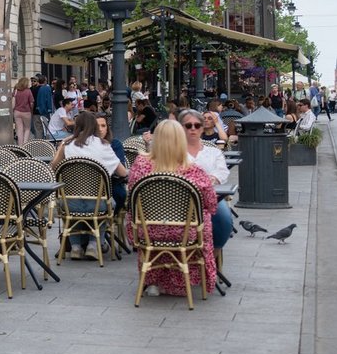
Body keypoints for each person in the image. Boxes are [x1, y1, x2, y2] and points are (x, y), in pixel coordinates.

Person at [128, 120, 218, 298]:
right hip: (185, 233)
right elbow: (211, 203)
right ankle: (183, 281)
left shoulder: (140, 165)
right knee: (205, 217)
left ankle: (153, 281)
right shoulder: (193, 171)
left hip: (148, 231)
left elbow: (131, 196)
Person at [51, 111, 128, 260]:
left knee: (73, 204)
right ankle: (93, 244)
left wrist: (62, 145)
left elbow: (53, 167)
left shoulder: (68, 146)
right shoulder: (104, 145)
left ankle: (75, 247)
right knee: (107, 201)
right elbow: (123, 173)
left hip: (70, 204)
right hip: (98, 205)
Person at [179, 108, 234, 253]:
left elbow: (223, 171)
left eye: (197, 125)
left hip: (211, 196)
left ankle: (212, 255)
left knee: (224, 220)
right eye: (188, 125)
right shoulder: (175, 151)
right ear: (181, 128)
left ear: (202, 128)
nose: (193, 129)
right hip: (180, 198)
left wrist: (213, 179)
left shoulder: (213, 152)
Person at [96, 115, 128, 217]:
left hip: (111, 182)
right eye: (97, 126)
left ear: (107, 128)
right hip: (92, 186)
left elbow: (121, 171)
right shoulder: (85, 145)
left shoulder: (114, 144)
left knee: (120, 195)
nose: (100, 129)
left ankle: (112, 217)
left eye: (103, 126)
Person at [12, 76, 34, 144]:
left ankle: (20, 145)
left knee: (19, 129)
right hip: (26, 112)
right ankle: (25, 144)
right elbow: (31, 102)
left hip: (17, 111)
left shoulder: (16, 91)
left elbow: (13, 100)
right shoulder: (28, 91)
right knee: (27, 128)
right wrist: (31, 110)